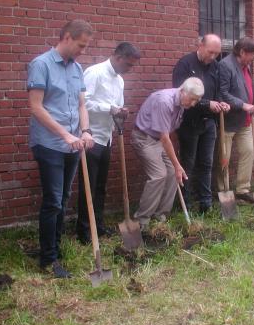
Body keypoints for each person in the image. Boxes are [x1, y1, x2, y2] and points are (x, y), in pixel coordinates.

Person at [27, 19, 95, 278]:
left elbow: (81, 105)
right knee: (53, 201)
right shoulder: (41, 64)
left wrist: (85, 131)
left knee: (64, 199)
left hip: (73, 145)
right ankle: (48, 259)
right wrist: (66, 134)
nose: (83, 51)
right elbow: (35, 107)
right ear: (66, 37)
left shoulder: (77, 68)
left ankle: (55, 248)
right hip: (50, 144)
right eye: (80, 45)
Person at [76, 42, 141, 244]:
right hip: (90, 137)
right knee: (88, 186)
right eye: (128, 65)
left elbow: (117, 105)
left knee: (101, 186)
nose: (130, 69)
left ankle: (99, 225)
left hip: (107, 137)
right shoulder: (94, 73)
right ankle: (85, 231)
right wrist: (110, 108)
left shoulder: (119, 80)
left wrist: (120, 111)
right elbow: (83, 103)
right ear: (119, 57)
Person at [132, 78, 204, 229]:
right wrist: (178, 165)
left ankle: (161, 216)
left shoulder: (182, 102)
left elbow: (167, 135)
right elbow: (165, 138)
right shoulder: (164, 101)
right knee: (159, 175)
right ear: (183, 91)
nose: (192, 104)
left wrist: (176, 167)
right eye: (191, 99)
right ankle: (142, 221)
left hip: (159, 140)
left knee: (172, 173)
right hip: (145, 139)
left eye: (195, 101)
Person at [173, 34, 230, 214]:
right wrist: (207, 104)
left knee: (207, 163)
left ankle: (205, 203)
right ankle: (186, 204)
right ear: (200, 45)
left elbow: (219, 91)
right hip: (189, 122)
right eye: (210, 52)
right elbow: (179, 95)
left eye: (217, 53)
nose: (213, 57)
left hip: (209, 123)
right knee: (188, 164)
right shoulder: (185, 64)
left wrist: (221, 103)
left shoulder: (216, 67)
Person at [218, 37, 254, 205]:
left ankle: (243, 189)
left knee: (249, 151)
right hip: (228, 120)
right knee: (224, 156)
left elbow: (249, 87)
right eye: (252, 54)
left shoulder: (246, 66)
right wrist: (242, 105)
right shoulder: (226, 65)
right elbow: (223, 93)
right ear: (242, 52)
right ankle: (222, 190)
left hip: (246, 120)